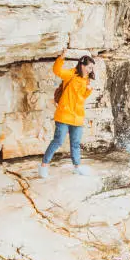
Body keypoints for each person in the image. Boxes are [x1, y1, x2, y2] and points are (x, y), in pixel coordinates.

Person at [39, 49, 95, 178]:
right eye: (89, 67)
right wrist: (61, 58)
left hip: (78, 116)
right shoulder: (71, 74)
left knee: (75, 143)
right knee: (58, 141)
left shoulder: (87, 80)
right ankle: (44, 165)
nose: (91, 70)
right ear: (82, 65)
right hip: (64, 114)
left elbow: (81, 98)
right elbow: (57, 71)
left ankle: (77, 167)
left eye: (92, 68)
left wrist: (88, 91)